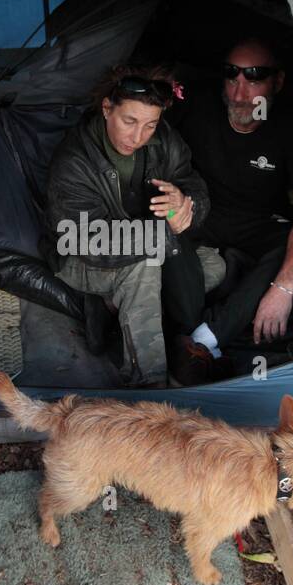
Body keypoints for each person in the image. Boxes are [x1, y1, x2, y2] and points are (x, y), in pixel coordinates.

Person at [165, 37, 293, 373]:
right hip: (203, 214)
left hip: (258, 225)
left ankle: (205, 338)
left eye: (254, 77)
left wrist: (283, 289)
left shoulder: (292, 127)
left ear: (277, 81)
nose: (239, 93)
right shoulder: (198, 107)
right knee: (160, 225)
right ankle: (183, 332)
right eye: (232, 76)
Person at [44, 65, 209, 387]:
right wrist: (163, 234)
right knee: (144, 265)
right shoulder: (73, 162)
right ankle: (151, 385)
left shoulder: (163, 140)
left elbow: (193, 184)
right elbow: (86, 240)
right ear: (107, 109)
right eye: (129, 121)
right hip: (80, 254)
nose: (138, 137)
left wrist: (186, 203)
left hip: (148, 236)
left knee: (213, 267)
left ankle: (108, 305)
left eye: (150, 125)